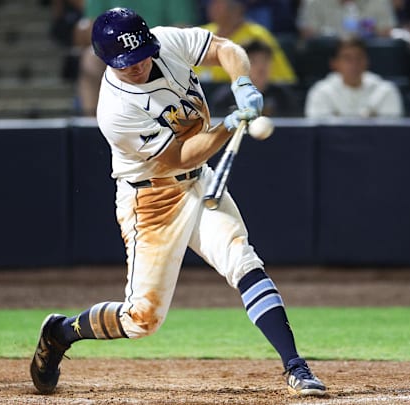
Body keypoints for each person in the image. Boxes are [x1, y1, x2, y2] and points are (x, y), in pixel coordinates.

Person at [29, 7, 327, 398]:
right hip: (152, 199)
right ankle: (61, 331)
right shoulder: (116, 110)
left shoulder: (166, 42)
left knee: (243, 261)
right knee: (142, 319)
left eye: (139, 56)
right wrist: (227, 124)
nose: (135, 66)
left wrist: (242, 82)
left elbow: (225, 47)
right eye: (125, 62)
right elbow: (180, 157)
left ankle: (296, 367)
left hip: (199, 184)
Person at [73, 0, 199, 116]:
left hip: (157, 46)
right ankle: (92, 127)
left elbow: (181, 27)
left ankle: (178, 119)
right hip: (116, 50)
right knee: (91, 59)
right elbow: (92, 28)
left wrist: (144, 46)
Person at [194, 0, 297, 84]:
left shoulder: (258, 36)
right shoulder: (199, 35)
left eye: (218, 2)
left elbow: (285, 80)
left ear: (237, 8)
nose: (212, 6)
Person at [304, 37, 404, 118]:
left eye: (359, 57)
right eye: (347, 58)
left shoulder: (386, 91)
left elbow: (390, 135)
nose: (354, 64)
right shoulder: (321, 92)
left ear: (367, 61)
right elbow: (321, 135)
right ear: (334, 63)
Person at [209, 40, 301, 116]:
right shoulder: (224, 98)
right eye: (253, 61)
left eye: (265, 60)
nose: (261, 67)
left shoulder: (284, 96)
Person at [297, 0, 398, 39]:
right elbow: (308, 39)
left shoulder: (380, 2)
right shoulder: (313, 3)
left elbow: (386, 35)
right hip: (324, 63)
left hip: (370, 63)